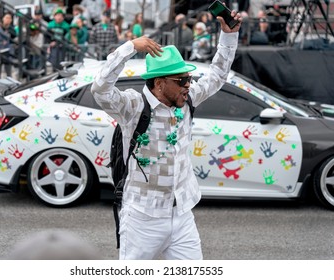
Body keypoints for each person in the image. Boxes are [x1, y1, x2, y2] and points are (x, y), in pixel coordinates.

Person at [91, 10, 242, 260]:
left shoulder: (188, 99)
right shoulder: (134, 107)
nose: (188, 85)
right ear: (160, 83)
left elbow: (217, 75)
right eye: (181, 80)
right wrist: (129, 47)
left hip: (182, 215)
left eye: (189, 78)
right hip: (142, 217)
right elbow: (100, 89)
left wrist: (228, 36)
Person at [0, 13, 16, 77]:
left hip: (8, 52)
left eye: (9, 18)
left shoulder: (11, 29)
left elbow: (14, 36)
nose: (8, 19)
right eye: (6, 18)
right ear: (3, 19)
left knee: (9, 72)